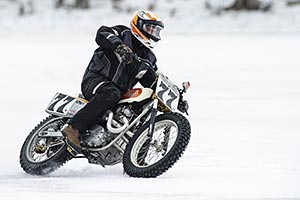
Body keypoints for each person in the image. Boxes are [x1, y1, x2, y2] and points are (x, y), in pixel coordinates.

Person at [62, 10, 165, 153]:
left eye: (156, 30)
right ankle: (73, 128)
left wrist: (176, 96)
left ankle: (136, 158)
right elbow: (102, 33)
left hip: (120, 94)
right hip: (96, 80)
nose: (153, 33)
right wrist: (119, 47)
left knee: (141, 106)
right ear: (139, 25)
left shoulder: (149, 58)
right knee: (111, 93)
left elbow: (153, 80)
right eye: (150, 28)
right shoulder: (123, 33)